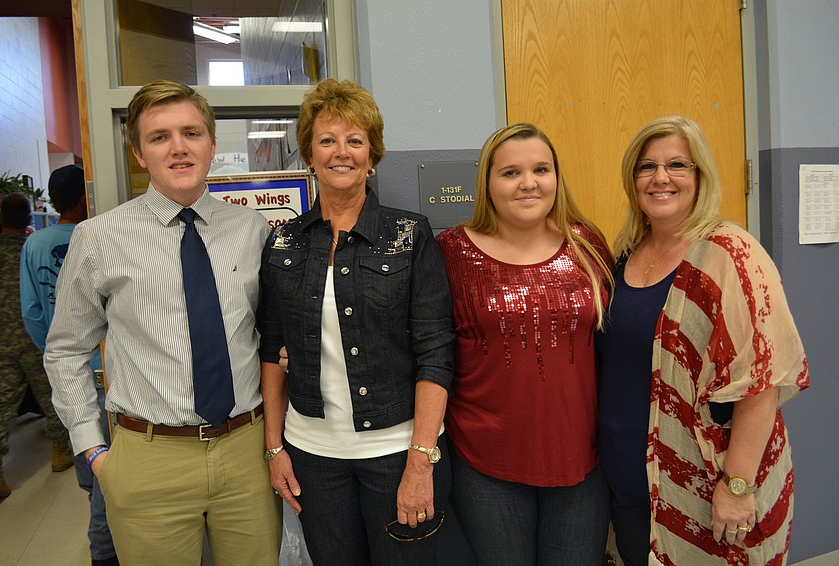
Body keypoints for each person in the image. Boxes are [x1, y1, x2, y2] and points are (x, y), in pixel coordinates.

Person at [44, 80, 282, 565]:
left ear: (212, 145)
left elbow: (268, 337)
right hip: (149, 458)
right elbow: (65, 349)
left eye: (191, 133)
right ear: (139, 153)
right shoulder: (98, 239)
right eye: (160, 137)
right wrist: (92, 450)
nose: (179, 148)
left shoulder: (251, 229)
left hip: (247, 454)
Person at [596, 115, 810, 565]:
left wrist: (737, 486)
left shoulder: (731, 254)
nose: (660, 178)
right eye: (646, 166)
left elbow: (762, 380)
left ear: (701, 176)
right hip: (629, 479)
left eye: (678, 165)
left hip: (707, 483)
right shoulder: (624, 253)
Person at [258, 78, 455, 565]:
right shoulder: (284, 244)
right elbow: (272, 349)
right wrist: (273, 448)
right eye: (327, 140)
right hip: (312, 457)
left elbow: (436, 351)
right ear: (309, 152)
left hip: (396, 452)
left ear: (372, 154)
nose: (340, 152)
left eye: (355, 140)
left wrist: (420, 459)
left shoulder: (409, 235)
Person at [435, 123, 614, 565]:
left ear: (557, 178)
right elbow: (420, 347)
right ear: (488, 184)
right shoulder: (450, 252)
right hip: (485, 461)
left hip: (582, 460)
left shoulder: (587, 244)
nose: (529, 183)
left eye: (541, 169)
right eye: (510, 172)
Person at [19, 164, 119, 566]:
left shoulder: (35, 244)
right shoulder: (96, 237)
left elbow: (32, 312)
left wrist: (60, 360)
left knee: (94, 479)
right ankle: (106, 555)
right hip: (108, 375)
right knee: (105, 489)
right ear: (84, 197)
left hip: (72, 375)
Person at [0, 193, 73, 499]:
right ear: (28, 220)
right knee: (51, 392)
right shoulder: (32, 248)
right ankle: (61, 452)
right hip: (31, 335)